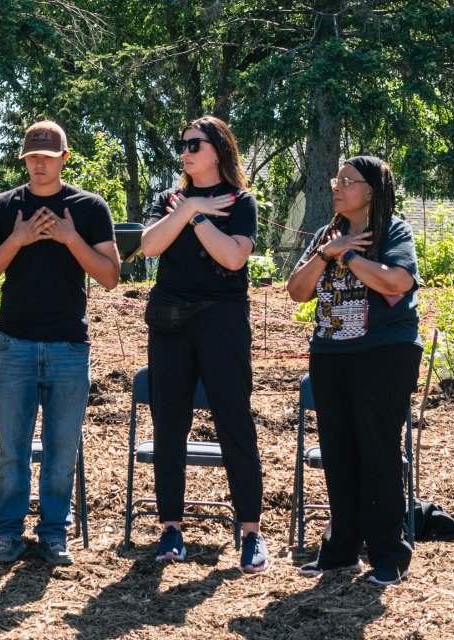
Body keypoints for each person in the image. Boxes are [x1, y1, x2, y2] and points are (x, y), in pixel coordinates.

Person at [0, 120, 119, 567]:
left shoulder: (89, 208)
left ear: (64, 159)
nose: (38, 164)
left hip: (69, 346)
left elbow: (110, 277)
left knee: (61, 450)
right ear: (24, 160)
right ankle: (7, 535)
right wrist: (18, 238)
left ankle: (54, 533)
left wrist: (71, 237)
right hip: (14, 344)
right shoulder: (1, 207)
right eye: (32, 157)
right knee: (12, 452)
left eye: (47, 157)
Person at [138, 115, 268, 573]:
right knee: (169, 424)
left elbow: (233, 258)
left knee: (234, 421)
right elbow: (149, 246)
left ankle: (251, 533)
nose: (187, 151)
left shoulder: (241, 201)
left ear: (218, 149)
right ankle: (170, 528)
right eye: (183, 144)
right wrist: (189, 209)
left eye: (196, 144)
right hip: (171, 324)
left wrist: (192, 218)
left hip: (222, 323)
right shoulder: (167, 200)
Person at [286, 156, 420, 586]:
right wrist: (328, 253)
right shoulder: (329, 235)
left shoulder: (392, 232)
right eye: (336, 180)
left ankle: (388, 556)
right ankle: (341, 551)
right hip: (329, 355)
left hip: (383, 354)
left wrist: (348, 258)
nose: (338, 187)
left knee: (377, 453)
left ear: (372, 191)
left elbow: (397, 281)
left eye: (348, 181)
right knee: (339, 453)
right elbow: (296, 291)